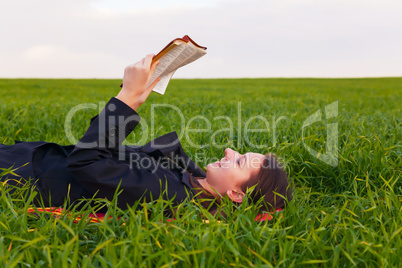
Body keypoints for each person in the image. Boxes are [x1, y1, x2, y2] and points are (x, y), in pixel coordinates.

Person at [0, 54, 292, 215]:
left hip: (20, 175)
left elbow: (88, 161)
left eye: (239, 162)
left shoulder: (170, 196)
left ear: (236, 195)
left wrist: (129, 97)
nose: (230, 152)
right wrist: (137, 95)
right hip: (29, 156)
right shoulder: (190, 177)